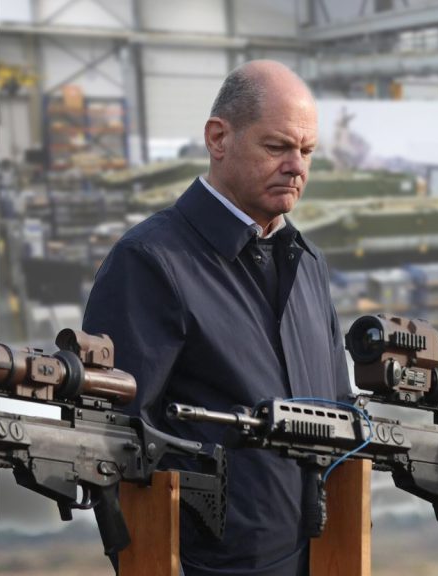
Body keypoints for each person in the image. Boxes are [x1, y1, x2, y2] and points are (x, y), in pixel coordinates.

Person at [83, 60, 351, 576]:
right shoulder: (151, 262)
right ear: (218, 138)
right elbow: (111, 447)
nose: (297, 167)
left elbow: (335, 416)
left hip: (318, 559)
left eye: (307, 151)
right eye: (277, 147)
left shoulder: (306, 263)